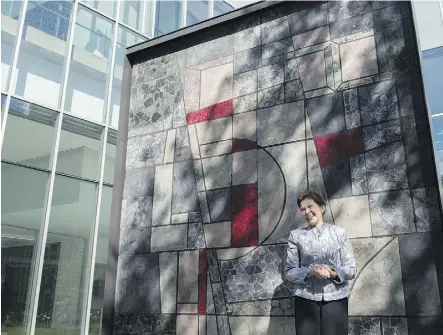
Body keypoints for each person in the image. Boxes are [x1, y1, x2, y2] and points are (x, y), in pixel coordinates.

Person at [285, 190, 357, 335]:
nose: (307, 212)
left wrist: (333, 273)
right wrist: (309, 272)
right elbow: (289, 272)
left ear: (322, 207)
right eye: (303, 209)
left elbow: (351, 268)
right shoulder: (296, 236)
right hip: (305, 298)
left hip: (336, 298)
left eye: (310, 206)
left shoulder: (339, 233)